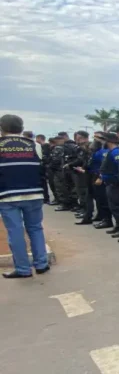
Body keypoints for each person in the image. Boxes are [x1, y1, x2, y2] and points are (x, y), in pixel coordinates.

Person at [0, 114, 50, 278]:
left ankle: (23, 269)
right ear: (21, 128)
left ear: (2, 128)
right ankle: (42, 264)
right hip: (34, 193)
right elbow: (40, 167)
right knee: (36, 228)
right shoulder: (34, 145)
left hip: (8, 195)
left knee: (15, 231)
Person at [99, 133, 119, 238]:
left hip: (115, 184)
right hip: (110, 183)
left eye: (104, 140)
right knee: (113, 206)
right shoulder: (110, 152)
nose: (102, 142)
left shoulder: (116, 152)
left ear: (109, 141)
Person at [89, 135, 112, 229]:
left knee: (103, 200)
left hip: (101, 176)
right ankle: (102, 217)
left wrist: (100, 177)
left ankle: (107, 220)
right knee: (98, 199)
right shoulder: (97, 152)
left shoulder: (104, 152)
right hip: (95, 175)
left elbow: (104, 167)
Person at [69, 131, 92, 221]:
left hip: (87, 173)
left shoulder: (90, 147)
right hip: (80, 171)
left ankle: (87, 211)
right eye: (76, 139)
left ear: (85, 138)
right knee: (82, 193)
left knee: (85, 193)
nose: (77, 141)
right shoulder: (80, 148)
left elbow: (85, 160)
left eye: (79, 138)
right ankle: (84, 210)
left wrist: (83, 168)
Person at [35, 134, 51, 204]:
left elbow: (44, 157)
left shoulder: (45, 146)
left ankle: (46, 198)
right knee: (43, 184)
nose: (36, 140)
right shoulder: (43, 146)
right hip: (44, 167)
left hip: (45, 168)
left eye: (37, 138)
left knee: (44, 183)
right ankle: (45, 198)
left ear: (40, 138)